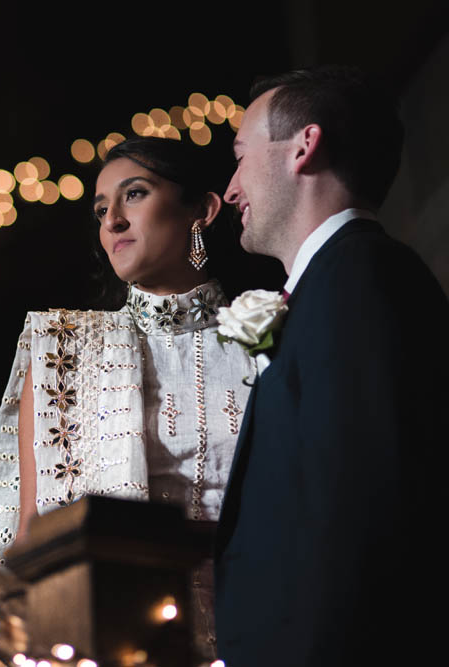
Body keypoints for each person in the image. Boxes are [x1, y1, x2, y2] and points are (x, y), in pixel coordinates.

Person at [0, 136, 264, 659]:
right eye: (100, 209)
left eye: (134, 194)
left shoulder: (269, 337)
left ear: (202, 209)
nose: (111, 222)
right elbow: (32, 540)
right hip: (123, 636)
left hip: (267, 621)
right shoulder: (61, 349)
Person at [214, 65, 449, 666]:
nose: (232, 188)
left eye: (240, 155)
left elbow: (361, 511)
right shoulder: (329, 286)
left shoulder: (361, 280)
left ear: (303, 147)